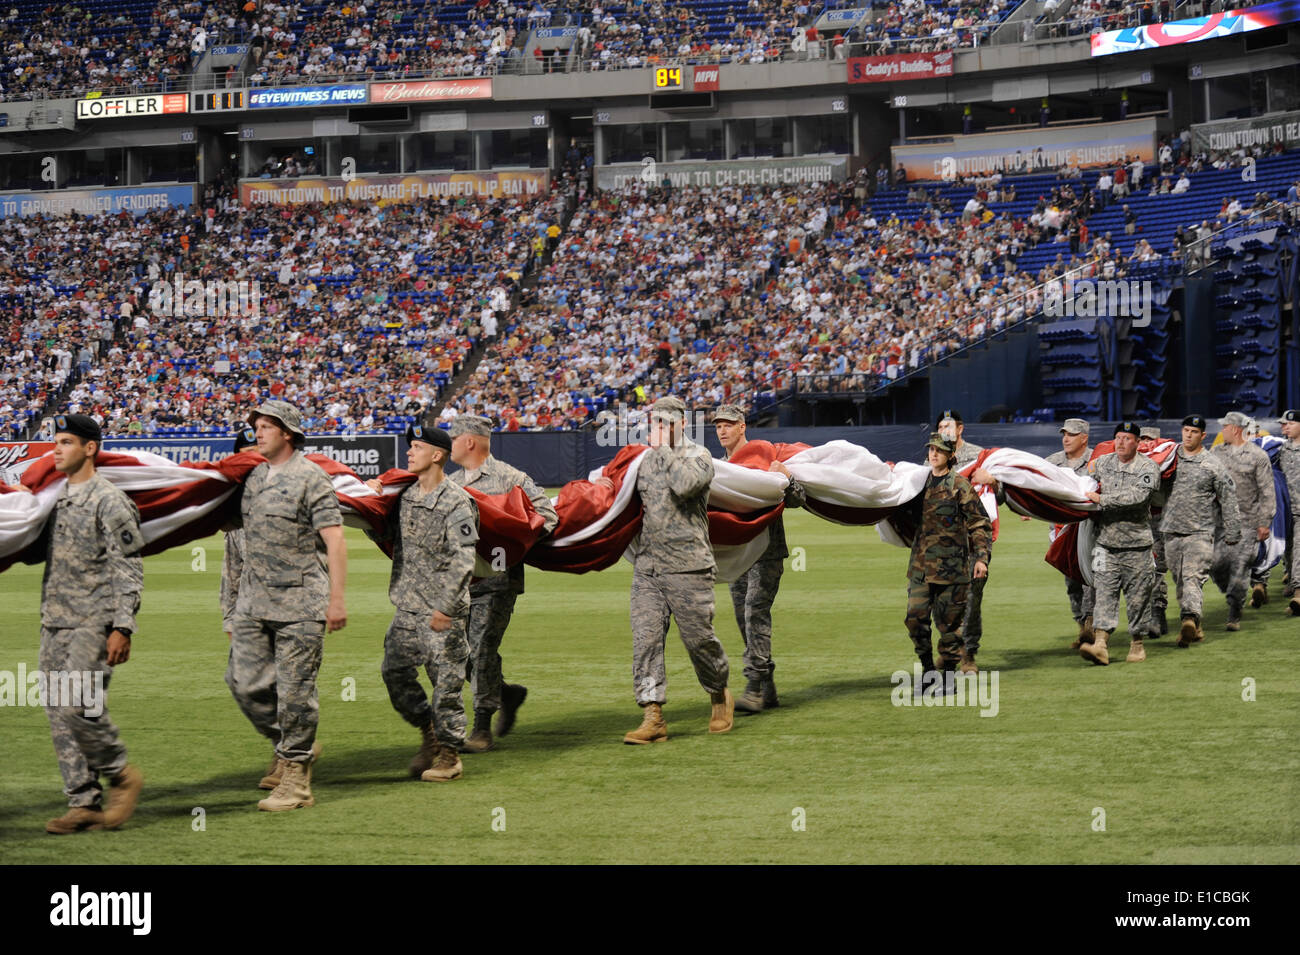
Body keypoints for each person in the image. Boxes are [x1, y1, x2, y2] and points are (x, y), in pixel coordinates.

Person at [227, 400, 347, 812]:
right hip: (254, 601)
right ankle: (292, 745)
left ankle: (295, 779)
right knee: (242, 682)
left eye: (266, 426)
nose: (258, 432)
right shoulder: (253, 477)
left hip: (301, 602)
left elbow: (334, 539)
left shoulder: (311, 478)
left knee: (296, 693)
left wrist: (336, 600)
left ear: (288, 433)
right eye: (256, 426)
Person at [27, 414, 145, 834]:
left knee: (79, 705)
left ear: (90, 448)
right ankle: (84, 802)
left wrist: (123, 626)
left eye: (65, 442)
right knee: (59, 712)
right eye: (54, 443)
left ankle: (121, 773)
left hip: (93, 621)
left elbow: (128, 566)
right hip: (54, 620)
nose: (55, 450)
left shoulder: (108, 500)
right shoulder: (52, 500)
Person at [599, 397, 733, 743]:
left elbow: (685, 486)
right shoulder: (641, 461)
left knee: (699, 641)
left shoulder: (699, 458)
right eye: (654, 422)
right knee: (645, 641)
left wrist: (664, 450)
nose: (658, 428)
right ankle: (652, 713)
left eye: (666, 423)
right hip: (649, 567)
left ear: (681, 424)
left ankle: (718, 690)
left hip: (689, 566)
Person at [369, 423, 478, 782]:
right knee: (394, 672)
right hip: (407, 607)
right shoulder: (405, 496)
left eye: (416, 447)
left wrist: (446, 607)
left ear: (437, 455)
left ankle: (449, 755)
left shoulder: (456, 500)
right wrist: (370, 501)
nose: (409, 453)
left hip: (441, 611)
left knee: (445, 683)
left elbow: (465, 559)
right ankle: (429, 734)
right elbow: (386, 536)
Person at [446, 414, 558, 751]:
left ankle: (481, 727)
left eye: (454, 439)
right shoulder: (450, 482)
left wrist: (511, 539)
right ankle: (506, 693)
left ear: (470, 441)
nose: (449, 445)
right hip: (460, 583)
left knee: (480, 648)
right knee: (458, 652)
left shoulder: (512, 478)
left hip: (496, 581)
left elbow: (547, 518)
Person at [712, 404, 805, 713]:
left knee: (754, 613)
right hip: (736, 553)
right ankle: (768, 687)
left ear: (743, 427)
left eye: (728, 424)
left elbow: (797, 499)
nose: (722, 430)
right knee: (744, 621)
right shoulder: (717, 469)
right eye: (718, 426)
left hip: (766, 551)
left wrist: (787, 478)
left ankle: (753, 686)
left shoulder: (767, 460)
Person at [904, 432, 992, 691]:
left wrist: (981, 559)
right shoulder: (918, 483)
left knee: (950, 626)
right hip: (921, 568)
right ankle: (929, 670)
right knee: (914, 618)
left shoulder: (960, 486)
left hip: (952, 570)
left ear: (950, 456)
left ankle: (949, 676)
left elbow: (979, 523)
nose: (933, 454)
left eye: (939, 450)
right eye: (931, 449)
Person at [1081, 423, 1161, 665]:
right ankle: (1101, 644)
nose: (1121, 443)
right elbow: (1084, 485)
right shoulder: (1103, 463)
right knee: (1104, 594)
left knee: (1138, 599)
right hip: (1106, 544)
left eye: (1127, 438)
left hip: (1137, 545)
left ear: (1137, 442)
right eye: (1117, 438)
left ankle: (1137, 644)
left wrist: (1101, 499)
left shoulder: (1148, 467)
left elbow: (1139, 498)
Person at [1159, 415, 1243, 647]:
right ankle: (1195, 626)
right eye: (1185, 430)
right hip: (1172, 531)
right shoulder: (1169, 460)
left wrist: (1233, 531)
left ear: (1203, 435)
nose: (1188, 435)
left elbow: (1228, 498)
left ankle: (1189, 618)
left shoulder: (1212, 464)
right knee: (1180, 580)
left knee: (1192, 578)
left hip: (1200, 533)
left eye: (1194, 432)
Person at [935, 409, 998, 672]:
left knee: (971, 599)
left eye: (948, 425)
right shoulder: (933, 457)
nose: (944, 430)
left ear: (960, 428)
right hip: (944, 541)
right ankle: (950, 649)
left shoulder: (981, 457)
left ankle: (968, 653)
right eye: (940, 426)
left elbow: (1002, 494)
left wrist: (993, 480)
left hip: (975, 539)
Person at [1210, 411, 1274, 631]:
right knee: (1216, 565)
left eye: (1224, 427)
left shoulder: (1258, 456)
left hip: (1247, 522)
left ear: (1235, 429)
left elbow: (1267, 491)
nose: (1221, 431)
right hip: (1219, 522)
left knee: (1239, 569)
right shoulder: (1216, 453)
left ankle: (1234, 612)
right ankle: (1234, 596)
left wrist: (1265, 521)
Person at [1045, 418, 1094, 647]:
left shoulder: (1097, 460)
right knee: (1072, 582)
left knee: (1090, 580)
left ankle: (1091, 626)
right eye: (1064, 434)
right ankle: (1081, 625)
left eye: (1072, 434)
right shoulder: (1052, 462)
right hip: (1061, 532)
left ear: (1084, 437)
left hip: (1089, 530)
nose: (1066, 438)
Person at [220, 426, 258, 641]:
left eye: (257, 454)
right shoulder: (234, 511)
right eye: (246, 456)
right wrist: (230, 621)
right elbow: (231, 576)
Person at [1139, 425, 1169, 636]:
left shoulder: (1167, 461)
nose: (1145, 443)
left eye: (1150, 439)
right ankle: (1149, 615)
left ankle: (1157, 612)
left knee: (1156, 568)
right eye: (1142, 439)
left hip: (1159, 522)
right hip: (1137, 522)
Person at [1275, 410, 1300, 615]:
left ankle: (1299, 594)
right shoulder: (1282, 449)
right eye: (1283, 424)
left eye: (1289, 424)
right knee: (1288, 548)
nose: (1285, 427)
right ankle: (1293, 581)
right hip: (1286, 509)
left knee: (1299, 549)